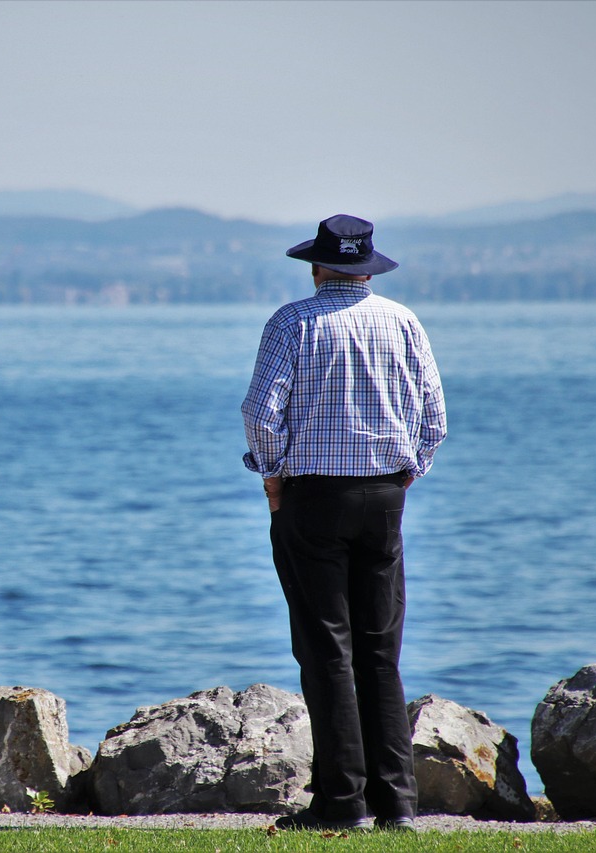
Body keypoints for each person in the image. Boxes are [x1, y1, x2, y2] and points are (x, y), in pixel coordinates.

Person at [241, 214, 447, 833]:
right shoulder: (403, 321)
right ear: (368, 267)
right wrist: (407, 473)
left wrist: (273, 478)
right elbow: (433, 416)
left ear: (317, 267)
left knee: (326, 651)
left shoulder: (291, 322)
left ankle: (342, 804)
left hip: (311, 499)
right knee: (381, 654)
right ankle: (399, 807)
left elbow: (259, 413)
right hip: (385, 497)